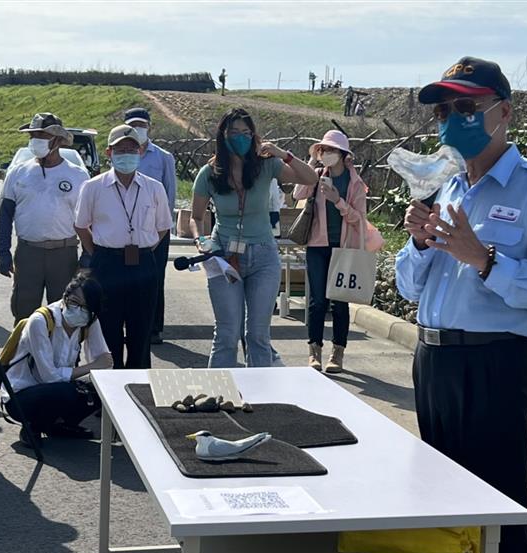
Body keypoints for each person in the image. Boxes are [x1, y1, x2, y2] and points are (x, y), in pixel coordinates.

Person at [395, 57, 527, 553]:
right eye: (443, 112)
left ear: (503, 112)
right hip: (433, 361)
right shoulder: (445, 186)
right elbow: (409, 287)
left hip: (494, 364)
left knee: (497, 508)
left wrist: (485, 260)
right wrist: (418, 244)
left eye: (465, 106)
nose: (452, 120)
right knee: (438, 504)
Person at [189, 108, 318, 368]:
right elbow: (196, 216)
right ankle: (219, 397)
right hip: (224, 255)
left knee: (258, 334)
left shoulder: (266, 165)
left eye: (246, 133)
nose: (240, 138)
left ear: (254, 136)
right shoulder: (209, 173)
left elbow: (310, 178)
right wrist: (201, 240)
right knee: (227, 333)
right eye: (234, 132)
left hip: (263, 256)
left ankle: (261, 401)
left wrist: (284, 154)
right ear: (222, 135)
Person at [75, 125, 172, 369]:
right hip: (107, 263)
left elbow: (162, 227)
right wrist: (96, 252)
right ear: (109, 153)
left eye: (132, 149)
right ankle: (109, 394)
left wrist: (145, 248)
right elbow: (80, 224)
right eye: (120, 149)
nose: (126, 154)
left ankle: (139, 388)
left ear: (140, 152)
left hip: (143, 263)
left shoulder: (153, 187)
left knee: (141, 332)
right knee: (108, 331)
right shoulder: (93, 187)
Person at [0, 113, 90, 324]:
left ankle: (64, 358)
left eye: (42, 135)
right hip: (28, 253)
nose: (36, 140)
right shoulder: (19, 172)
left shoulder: (78, 176)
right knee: (24, 313)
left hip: (64, 254)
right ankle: (23, 356)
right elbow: (5, 215)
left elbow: (89, 221)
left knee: (65, 314)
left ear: (57, 140)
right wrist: (2, 252)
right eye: (33, 135)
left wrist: (87, 257)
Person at [1, 273, 112, 448]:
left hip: (58, 386)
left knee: (102, 389)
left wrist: (97, 368)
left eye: (86, 307)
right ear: (64, 298)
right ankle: (32, 427)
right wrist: (92, 367)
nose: (78, 310)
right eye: (74, 302)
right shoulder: (41, 321)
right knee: (66, 391)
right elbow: (50, 377)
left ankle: (58, 425)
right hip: (22, 395)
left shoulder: (90, 321)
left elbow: (105, 362)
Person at [293, 130, 366, 373]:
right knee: (316, 302)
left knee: (339, 303)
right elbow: (296, 194)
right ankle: (314, 351)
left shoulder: (354, 182)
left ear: (343, 154)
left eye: (331, 150)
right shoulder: (315, 176)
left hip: (343, 248)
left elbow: (359, 219)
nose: (326, 154)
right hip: (316, 245)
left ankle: (338, 352)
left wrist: (338, 200)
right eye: (323, 150)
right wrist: (311, 164)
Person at [123, 107, 177, 345]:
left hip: (156, 229)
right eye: (133, 125)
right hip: (126, 229)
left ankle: (155, 328)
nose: (138, 130)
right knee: (127, 277)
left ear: (149, 127)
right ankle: (129, 323)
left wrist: (163, 227)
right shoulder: (121, 154)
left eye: (142, 125)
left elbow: (170, 193)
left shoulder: (163, 157)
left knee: (155, 278)